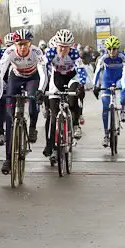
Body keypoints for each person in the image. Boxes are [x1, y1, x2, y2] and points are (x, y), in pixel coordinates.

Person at [0, 28, 46, 175]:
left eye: (25, 44)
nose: (22, 47)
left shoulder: (37, 52)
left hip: (32, 77)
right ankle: (8, 159)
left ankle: (32, 128)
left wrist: (41, 90)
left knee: (33, 102)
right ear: (15, 44)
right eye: (19, 44)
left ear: (30, 44)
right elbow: (0, 73)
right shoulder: (9, 52)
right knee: (10, 119)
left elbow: (43, 73)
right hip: (15, 77)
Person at [41, 29, 88, 163]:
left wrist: (82, 84)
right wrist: (41, 87)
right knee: (53, 115)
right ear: (56, 45)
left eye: (66, 47)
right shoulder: (50, 52)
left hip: (71, 77)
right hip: (56, 78)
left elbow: (81, 70)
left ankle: (75, 123)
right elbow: (43, 69)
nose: (63, 49)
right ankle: (52, 147)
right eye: (61, 46)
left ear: (70, 46)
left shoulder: (74, 53)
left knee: (73, 99)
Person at [92, 36, 125, 148]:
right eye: (110, 49)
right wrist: (95, 86)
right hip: (106, 81)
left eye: (114, 49)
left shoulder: (123, 57)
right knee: (105, 107)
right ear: (107, 49)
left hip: (119, 80)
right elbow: (97, 72)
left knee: (122, 92)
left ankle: (122, 110)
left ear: (118, 49)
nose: (112, 51)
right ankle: (106, 135)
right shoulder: (103, 58)